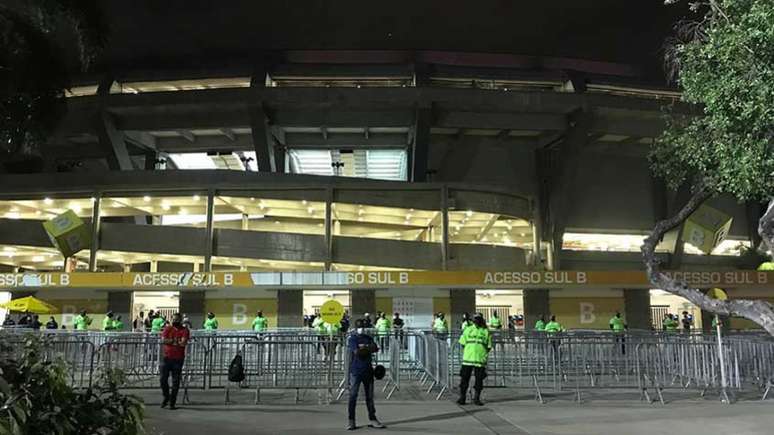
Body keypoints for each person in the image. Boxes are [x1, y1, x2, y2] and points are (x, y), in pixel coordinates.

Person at [346, 318, 385, 430]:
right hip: (356, 371)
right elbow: (357, 352)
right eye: (359, 327)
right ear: (355, 327)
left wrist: (365, 348)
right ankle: (351, 420)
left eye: (363, 326)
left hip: (368, 371)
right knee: (353, 396)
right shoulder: (352, 339)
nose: (361, 329)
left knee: (370, 397)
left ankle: (373, 419)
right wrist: (368, 348)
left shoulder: (368, 338)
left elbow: (375, 348)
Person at [457, 313, 492, 406]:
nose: (477, 321)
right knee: (464, 379)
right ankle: (462, 397)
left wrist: (483, 354)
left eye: (478, 319)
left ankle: (477, 398)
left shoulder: (485, 331)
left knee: (479, 380)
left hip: (480, 360)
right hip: (467, 360)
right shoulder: (468, 329)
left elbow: (489, 346)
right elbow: (462, 343)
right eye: (475, 319)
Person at [160, 313, 190, 410]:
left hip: (178, 359)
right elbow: (164, 340)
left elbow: (183, 343)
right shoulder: (168, 328)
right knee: (163, 379)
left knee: (175, 381)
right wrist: (175, 341)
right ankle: (166, 396)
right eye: (174, 319)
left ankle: (172, 402)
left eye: (177, 319)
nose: (175, 321)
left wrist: (172, 341)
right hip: (167, 357)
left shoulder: (185, 330)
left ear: (181, 320)